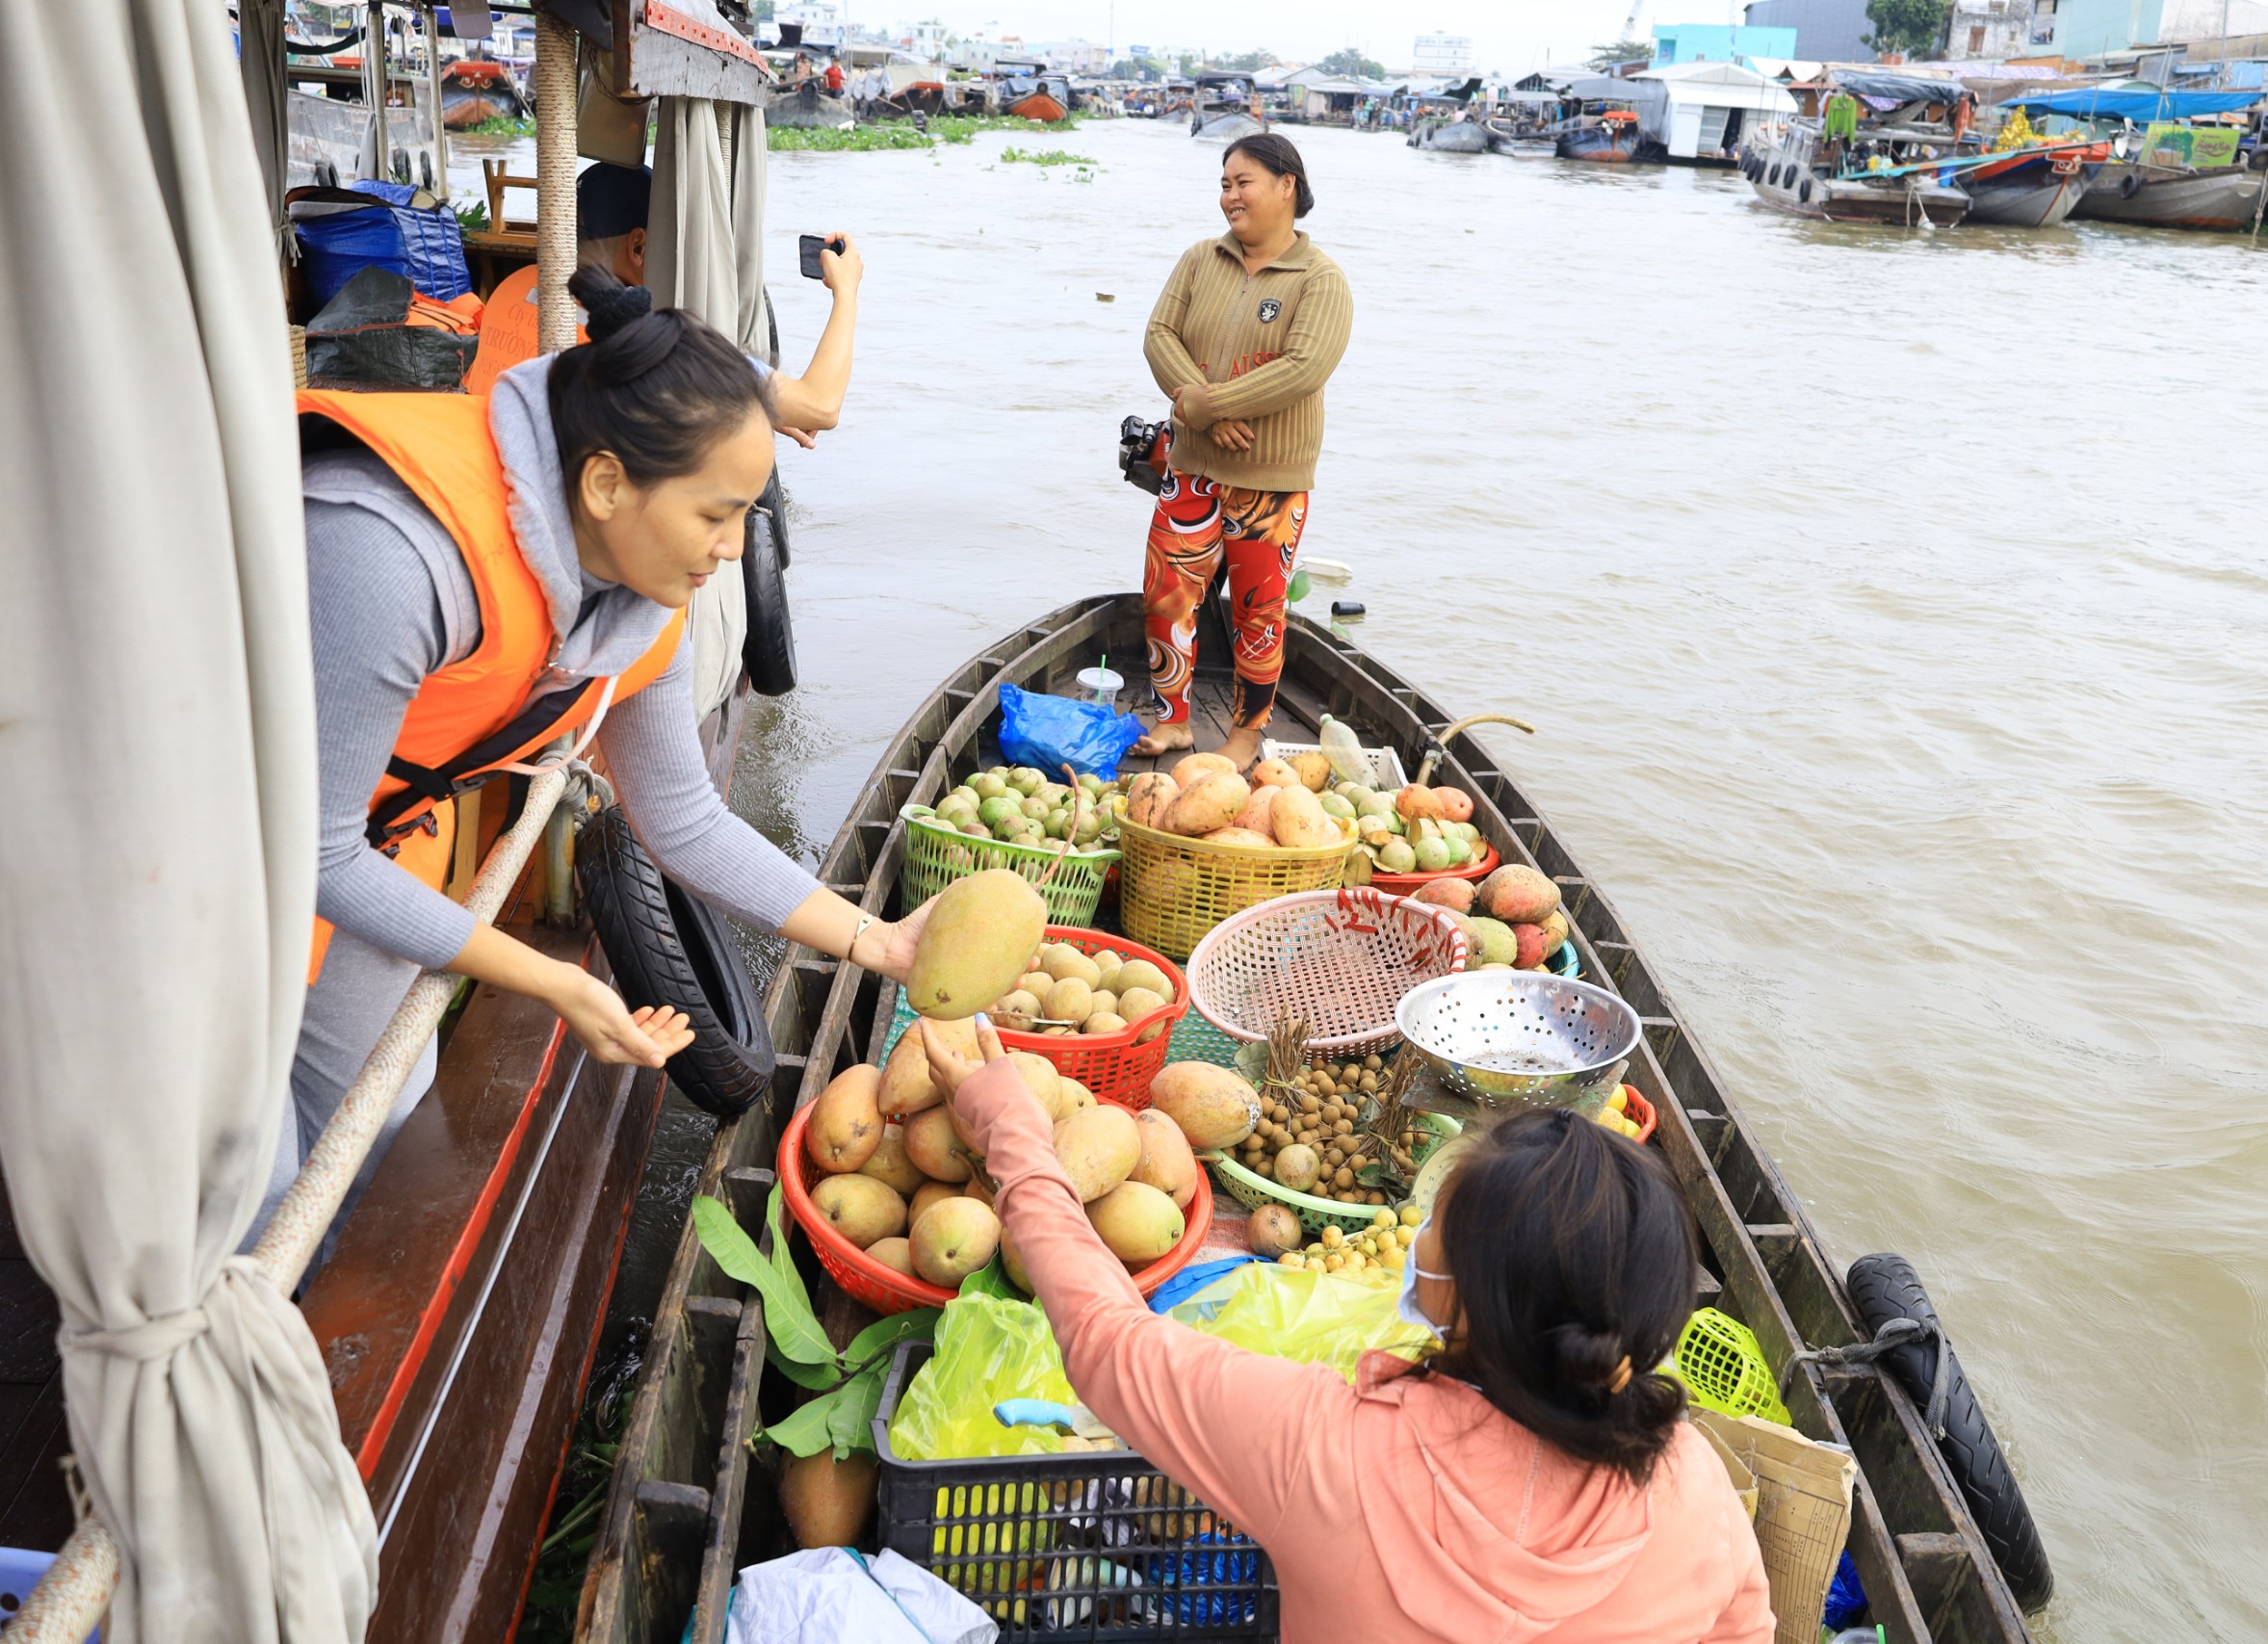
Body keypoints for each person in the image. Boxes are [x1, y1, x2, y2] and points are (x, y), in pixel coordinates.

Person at [268, 269, 931, 1237]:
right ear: (607, 481)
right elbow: (309, 851)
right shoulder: (390, 552)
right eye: (715, 513)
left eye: (748, 512)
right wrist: (557, 979)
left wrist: (874, 942)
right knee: (244, 1185)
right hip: (203, 860)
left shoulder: (640, 587)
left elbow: (685, 820)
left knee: (365, 1134)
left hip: (371, 844)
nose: (730, 549)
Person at [924, 1018, 1774, 1643]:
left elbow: (1105, 1337)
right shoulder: (1693, 1486)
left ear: (1461, 1300)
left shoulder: (1323, 1448)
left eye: (1436, 1216)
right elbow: (1746, 1629)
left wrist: (1015, 1133)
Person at [1132, 132, 1352, 767]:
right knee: (1165, 593)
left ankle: (1243, 738)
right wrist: (1194, 402)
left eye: (1243, 181)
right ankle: (1174, 723)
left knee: (1259, 612)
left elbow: (1303, 367)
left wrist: (1208, 405)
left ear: (1288, 185)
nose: (1229, 195)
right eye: (1224, 183)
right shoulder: (1202, 258)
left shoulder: (1320, 279)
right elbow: (1159, 334)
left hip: (1270, 481)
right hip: (1192, 468)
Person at [470, 163, 864, 447]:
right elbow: (820, 406)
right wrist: (846, 291)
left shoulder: (511, 286)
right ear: (640, 246)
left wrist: (744, 401)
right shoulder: (644, 338)